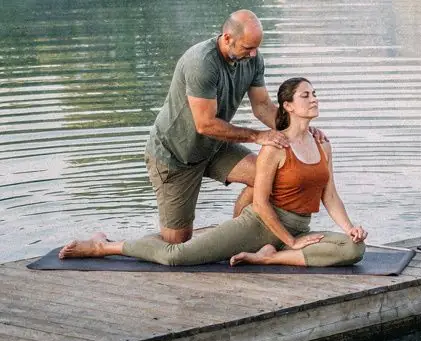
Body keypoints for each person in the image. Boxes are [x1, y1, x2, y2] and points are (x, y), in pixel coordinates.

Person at [59, 77, 366, 270]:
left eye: (315, 93)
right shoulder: (274, 148)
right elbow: (259, 203)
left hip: (299, 227)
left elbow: (330, 195)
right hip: (262, 224)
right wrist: (291, 240)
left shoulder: (322, 144)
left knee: (354, 248)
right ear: (288, 105)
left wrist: (350, 227)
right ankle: (104, 245)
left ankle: (269, 256)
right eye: (306, 95)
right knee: (175, 256)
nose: (314, 99)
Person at [142, 10, 309, 246]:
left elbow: (262, 106)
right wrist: (257, 136)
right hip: (176, 156)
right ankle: (104, 244)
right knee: (176, 244)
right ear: (227, 37)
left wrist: (300, 132)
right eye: (247, 47)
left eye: (256, 48)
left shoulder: (253, 58)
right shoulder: (202, 63)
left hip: (215, 147)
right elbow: (205, 124)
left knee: (270, 175)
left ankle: (236, 235)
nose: (253, 54)